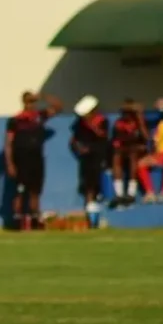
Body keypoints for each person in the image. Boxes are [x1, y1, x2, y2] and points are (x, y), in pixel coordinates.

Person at [4, 91, 62, 230]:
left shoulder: (39, 117)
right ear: (23, 102)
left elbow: (58, 106)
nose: (31, 104)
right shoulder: (15, 120)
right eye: (29, 102)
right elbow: (8, 143)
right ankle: (17, 221)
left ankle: (35, 220)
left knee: (35, 192)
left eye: (33, 102)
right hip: (21, 160)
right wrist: (10, 163)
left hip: (36, 159)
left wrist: (43, 97)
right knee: (19, 192)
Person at [70, 96, 109, 229]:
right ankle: (91, 220)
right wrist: (79, 149)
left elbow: (102, 135)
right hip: (86, 159)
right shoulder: (79, 124)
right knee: (88, 187)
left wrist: (91, 125)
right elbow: (73, 140)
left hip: (99, 157)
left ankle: (99, 217)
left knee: (99, 187)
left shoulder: (102, 120)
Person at [110, 100, 152, 205]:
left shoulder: (139, 122)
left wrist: (140, 122)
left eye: (129, 112)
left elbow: (147, 138)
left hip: (137, 149)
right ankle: (119, 194)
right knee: (116, 156)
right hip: (123, 148)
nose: (126, 115)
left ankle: (131, 193)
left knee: (133, 155)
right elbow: (115, 139)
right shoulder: (119, 122)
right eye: (124, 112)